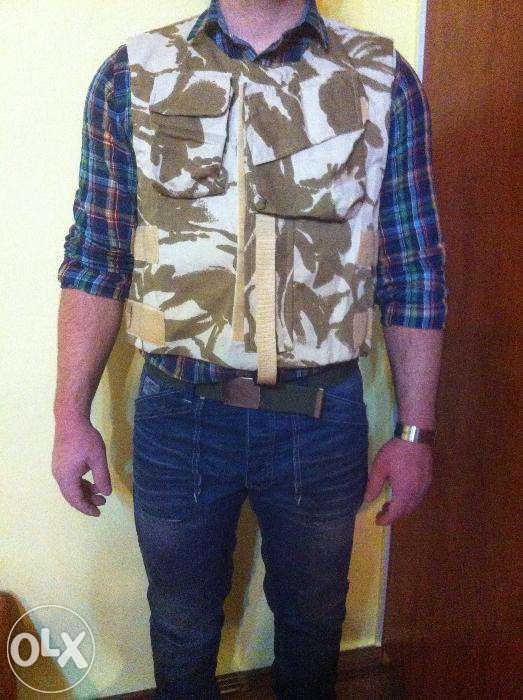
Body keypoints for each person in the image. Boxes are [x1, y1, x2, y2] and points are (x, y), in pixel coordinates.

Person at [51, 0, 448, 697]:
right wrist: (69, 417)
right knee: (180, 624)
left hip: (320, 416)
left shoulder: (382, 77)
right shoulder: (132, 74)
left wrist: (414, 432)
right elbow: (95, 256)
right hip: (177, 412)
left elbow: (413, 267)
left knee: (314, 623)